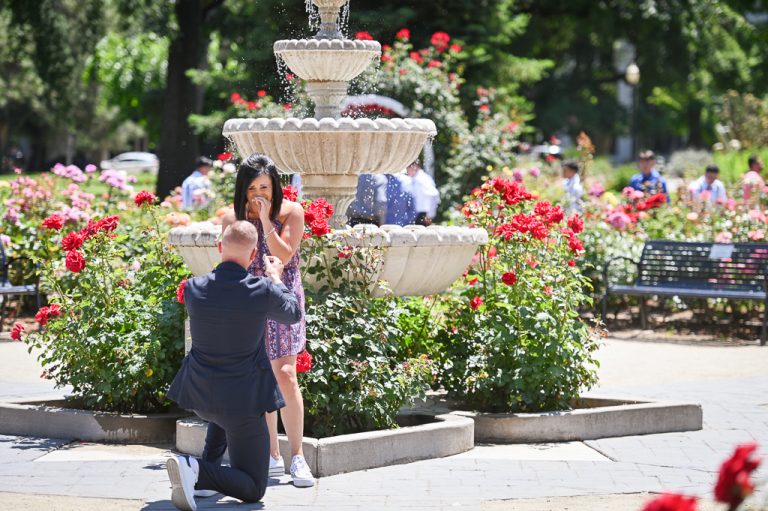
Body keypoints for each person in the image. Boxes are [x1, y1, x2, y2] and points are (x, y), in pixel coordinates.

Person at [165, 220, 301, 510]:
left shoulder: (192, 288)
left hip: (201, 396)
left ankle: (201, 480)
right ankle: (195, 468)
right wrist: (276, 277)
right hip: (240, 404)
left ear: (218, 248)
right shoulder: (262, 288)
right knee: (253, 488)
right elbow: (292, 314)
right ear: (253, 256)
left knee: (220, 416)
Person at [221, 153, 313, 487]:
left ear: (275, 186)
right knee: (259, 376)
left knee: (286, 374)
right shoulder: (232, 216)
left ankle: (298, 456)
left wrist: (264, 221)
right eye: (253, 188)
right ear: (242, 189)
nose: (260, 194)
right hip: (248, 297)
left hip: (281, 293)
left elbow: (284, 255)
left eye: (266, 186)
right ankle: (272, 453)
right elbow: (232, 261)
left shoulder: (291, 212)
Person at [406, 161, 440, 226]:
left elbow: (433, 195)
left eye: (408, 169)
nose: (407, 172)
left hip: (423, 214)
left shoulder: (422, 179)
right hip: (419, 214)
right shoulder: (418, 178)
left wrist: (429, 215)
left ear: (414, 167)